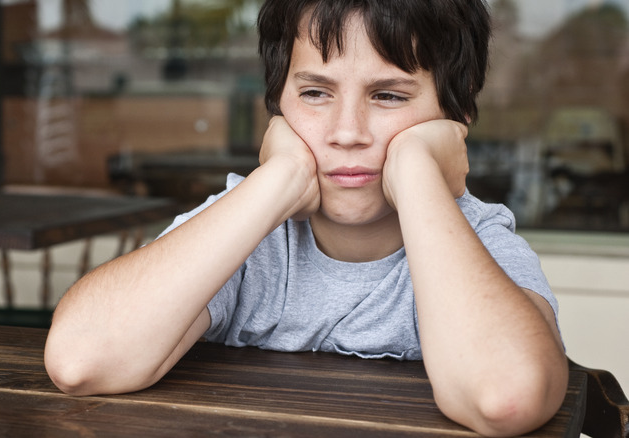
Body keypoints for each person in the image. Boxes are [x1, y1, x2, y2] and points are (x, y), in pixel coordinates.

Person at [44, 0, 569, 435]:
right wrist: (280, 178)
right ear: (278, 106)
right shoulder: (247, 229)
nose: (347, 131)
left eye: (387, 96)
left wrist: (416, 175)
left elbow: (506, 398)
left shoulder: (477, 243)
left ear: (456, 116)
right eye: (315, 93)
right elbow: (80, 360)